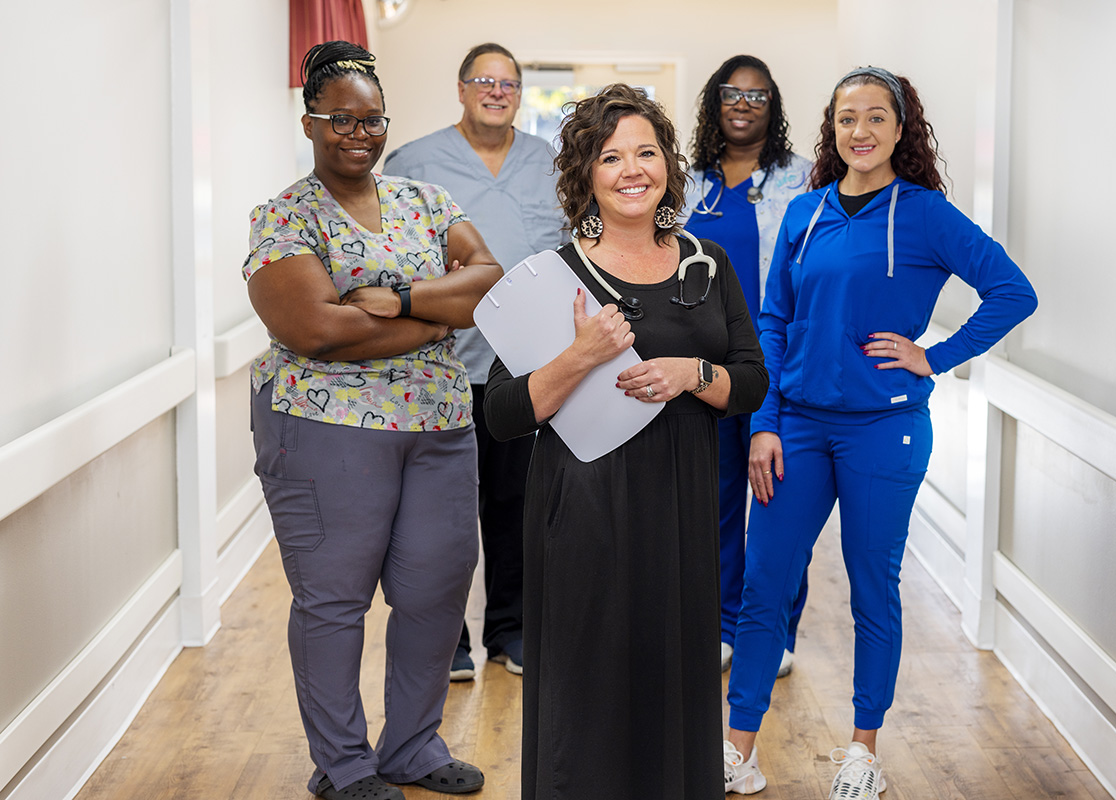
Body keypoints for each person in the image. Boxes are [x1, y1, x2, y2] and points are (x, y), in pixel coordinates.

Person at [721, 67, 1037, 798]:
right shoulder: (805, 213)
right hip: (794, 427)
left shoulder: (925, 215)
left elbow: (1012, 291)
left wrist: (934, 356)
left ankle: (863, 750)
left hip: (884, 434)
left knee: (873, 592)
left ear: (901, 129)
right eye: (844, 120)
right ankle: (739, 750)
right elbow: (773, 322)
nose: (858, 132)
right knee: (764, 588)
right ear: (830, 130)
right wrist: (763, 424)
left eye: (874, 118)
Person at [484, 84, 768, 799]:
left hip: (679, 510)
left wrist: (689, 372)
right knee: (589, 688)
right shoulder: (555, 277)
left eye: (646, 152)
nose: (631, 169)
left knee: (670, 672)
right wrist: (581, 354)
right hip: (583, 512)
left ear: (668, 165)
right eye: (611, 157)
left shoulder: (709, 265)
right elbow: (506, 413)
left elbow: (751, 384)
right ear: (586, 176)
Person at [242, 41, 503, 800]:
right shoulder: (285, 216)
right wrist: (435, 316)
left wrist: (398, 302)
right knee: (334, 597)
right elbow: (315, 330)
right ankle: (345, 766)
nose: (359, 133)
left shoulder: (427, 202)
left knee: (434, 589)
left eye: (372, 120)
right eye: (341, 120)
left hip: (440, 426)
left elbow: (485, 283)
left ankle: (413, 747)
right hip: (326, 430)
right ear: (310, 123)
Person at [381, 42, 564, 681]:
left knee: (517, 511)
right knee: (438, 518)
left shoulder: (551, 163)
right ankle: (447, 640)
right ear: (461, 89)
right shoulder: (415, 163)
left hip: (523, 370)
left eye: (509, 83)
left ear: (520, 94)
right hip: (439, 371)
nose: (497, 91)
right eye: (484, 81)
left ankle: (510, 633)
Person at [681, 55, 813, 680]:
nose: (743, 104)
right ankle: (721, 624)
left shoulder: (805, 181)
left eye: (757, 96)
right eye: (731, 93)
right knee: (717, 499)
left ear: (773, 107)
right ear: (714, 103)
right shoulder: (685, 183)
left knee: (779, 502)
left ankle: (774, 631)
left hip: (777, 363)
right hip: (704, 367)